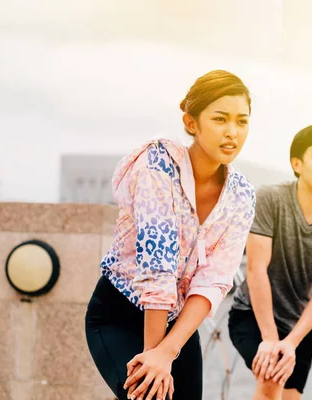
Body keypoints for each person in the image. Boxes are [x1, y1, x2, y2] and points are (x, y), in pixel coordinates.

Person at [85, 70, 256, 400]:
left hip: (177, 326)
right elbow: (157, 263)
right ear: (191, 123)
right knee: (153, 397)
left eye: (242, 121)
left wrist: (167, 352)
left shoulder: (242, 196)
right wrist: (153, 356)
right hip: (118, 314)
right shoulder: (159, 164)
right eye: (220, 119)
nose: (232, 132)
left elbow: (215, 281)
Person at [228, 125, 312, 400]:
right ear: (297, 164)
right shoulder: (270, 198)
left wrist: (291, 342)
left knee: (289, 397)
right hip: (252, 315)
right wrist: (269, 339)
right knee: (270, 382)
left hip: (298, 325)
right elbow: (256, 269)